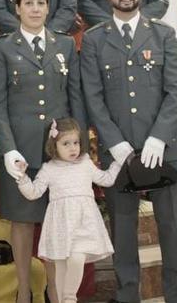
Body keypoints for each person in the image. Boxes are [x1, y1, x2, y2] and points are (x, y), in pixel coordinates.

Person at [82, 0, 177, 302]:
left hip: (165, 148)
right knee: (124, 231)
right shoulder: (94, 39)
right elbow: (93, 95)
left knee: (174, 227)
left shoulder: (163, 35)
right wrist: (114, 143)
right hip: (118, 153)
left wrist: (158, 138)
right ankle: (127, 295)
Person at [0, 0, 85, 303]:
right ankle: (24, 290)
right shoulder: (2, 47)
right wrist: (7, 147)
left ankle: (56, 292)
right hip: (21, 149)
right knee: (22, 221)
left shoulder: (64, 45)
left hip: (59, 151)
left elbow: (75, 97)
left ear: (48, 7)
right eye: (28, 3)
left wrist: (79, 147)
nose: (34, 9)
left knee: (58, 221)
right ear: (17, 8)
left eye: (40, 3)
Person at [14, 118, 123, 303]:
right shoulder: (49, 169)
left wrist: (118, 162)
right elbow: (33, 193)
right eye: (66, 144)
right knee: (61, 266)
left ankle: (70, 297)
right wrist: (22, 177)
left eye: (76, 143)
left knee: (76, 257)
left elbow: (106, 179)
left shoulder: (85, 163)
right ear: (54, 146)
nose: (73, 148)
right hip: (61, 225)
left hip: (83, 223)